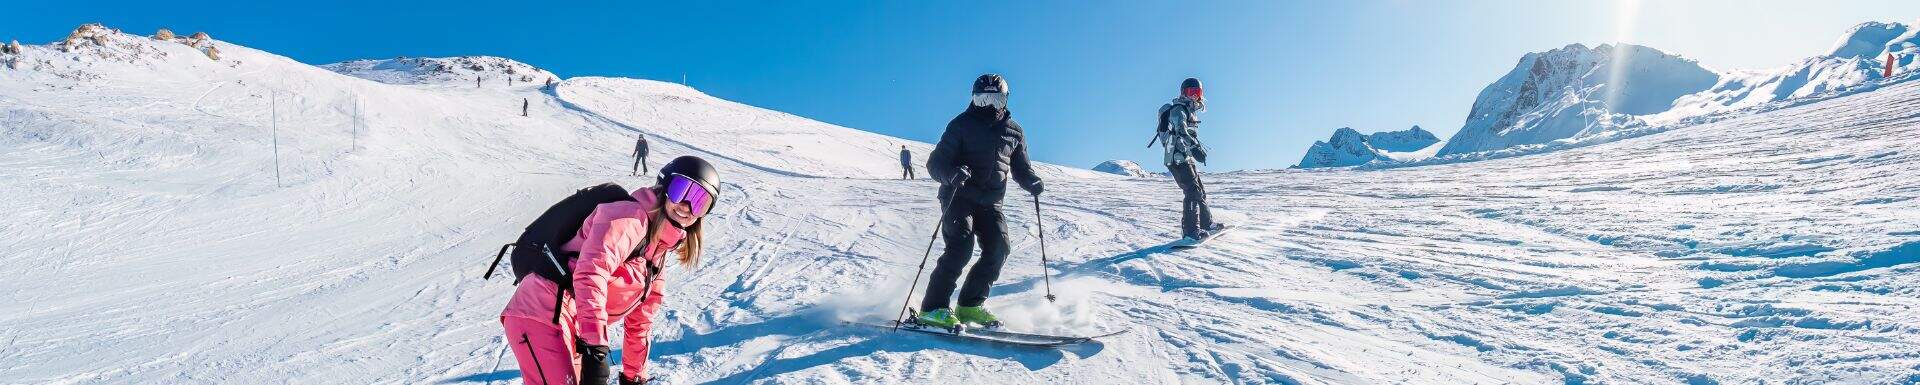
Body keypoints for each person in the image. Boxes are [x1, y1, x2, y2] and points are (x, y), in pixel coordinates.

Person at [500, 156, 720, 385]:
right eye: (681, 191)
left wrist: (634, 377)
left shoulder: (656, 258)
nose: (686, 206)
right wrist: (596, 349)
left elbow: (640, 323)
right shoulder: (628, 217)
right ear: (664, 187)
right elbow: (590, 274)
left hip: (572, 330)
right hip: (541, 312)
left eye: (699, 201)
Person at [915, 74, 1043, 329]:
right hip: (958, 196)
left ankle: (970, 305)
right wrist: (952, 174)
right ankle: (933, 308)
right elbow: (936, 163)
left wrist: (1032, 181)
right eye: (982, 99)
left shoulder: (1014, 131)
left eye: (995, 99)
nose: (989, 105)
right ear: (973, 99)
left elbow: (1020, 167)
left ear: (1005, 99)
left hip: (991, 202)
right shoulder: (961, 125)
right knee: (960, 247)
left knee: (999, 249)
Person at [1158, 77, 1222, 242]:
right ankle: (1190, 232)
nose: (1194, 96)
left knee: (1199, 190)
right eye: (1190, 92)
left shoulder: (1189, 110)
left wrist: (1196, 149)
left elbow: (1189, 136)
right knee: (1192, 191)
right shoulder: (1179, 109)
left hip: (1184, 156)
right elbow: (1181, 130)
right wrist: (1195, 149)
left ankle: (1207, 224)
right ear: (1183, 93)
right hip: (1176, 157)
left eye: (1197, 92)